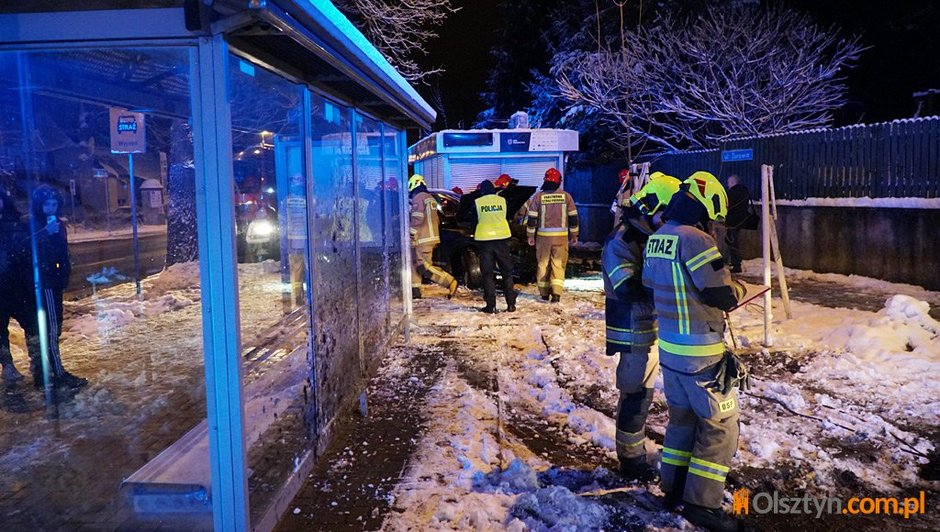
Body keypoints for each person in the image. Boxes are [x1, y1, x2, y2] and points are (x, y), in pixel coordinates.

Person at [642, 171, 744, 531]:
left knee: (682, 422)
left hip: (671, 352)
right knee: (720, 427)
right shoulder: (697, 240)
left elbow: (649, 284)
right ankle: (702, 505)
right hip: (702, 355)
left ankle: (673, 489)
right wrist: (738, 287)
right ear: (706, 204)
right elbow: (721, 295)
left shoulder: (657, 238)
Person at [602, 174, 680, 481]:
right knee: (635, 394)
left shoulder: (647, 235)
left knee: (649, 395)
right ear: (652, 207)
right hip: (633, 331)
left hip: (656, 328)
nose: (667, 221)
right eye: (666, 214)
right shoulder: (622, 239)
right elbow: (626, 287)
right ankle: (630, 458)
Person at [30, 184, 87, 389]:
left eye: (54, 204)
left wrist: (64, 274)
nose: (51, 208)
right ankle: (57, 373)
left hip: (54, 282)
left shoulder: (58, 225)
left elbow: (61, 254)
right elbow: (28, 251)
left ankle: (47, 372)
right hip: (44, 284)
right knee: (51, 329)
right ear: (39, 205)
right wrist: (47, 233)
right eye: (46, 204)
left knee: (53, 328)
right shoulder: (34, 225)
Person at [525, 168, 579, 302]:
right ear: (559, 181)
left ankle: (544, 293)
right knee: (558, 264)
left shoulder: (538, 197)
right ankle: (556, 294)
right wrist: (574, 235)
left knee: (543, 264)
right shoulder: (566, 197)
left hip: (543, 238)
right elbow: (573, 218)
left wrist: (530, 236)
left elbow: (532, 220)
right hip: (561, 238)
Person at [0, 187, 32, 382]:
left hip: (18, 287)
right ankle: (8, 366)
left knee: (32, 325)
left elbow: (26, 252)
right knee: (0, 331)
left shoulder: (16, 224)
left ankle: (36, 362)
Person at [408, 174, 458, 300]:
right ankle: (415, 290)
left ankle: (449, 281)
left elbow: (417, 218)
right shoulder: (429, 197)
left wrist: (410, 233)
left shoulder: (418, 198)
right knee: (415, 264)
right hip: (430, 237)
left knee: (423, 266)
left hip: (422, 238)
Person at [470, 179, 516, 313]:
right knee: (507, 273)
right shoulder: (502, 201)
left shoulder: (478, 203)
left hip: (485, 241)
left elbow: (473, 220)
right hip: (502, 240)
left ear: (482, 191)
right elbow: (507, 217)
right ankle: (511, 304)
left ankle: (491, 306)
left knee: (488, 274)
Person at [722, 175, 755, 273]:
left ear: (732, 182)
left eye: (728, 182)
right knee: (733, 241)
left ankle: (736, 265)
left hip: (732, 221)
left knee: (732, 242)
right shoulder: (744, 191)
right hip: (740, 220)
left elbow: (728, 205)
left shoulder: (733, 193)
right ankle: (735, 263)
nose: (727, 184)